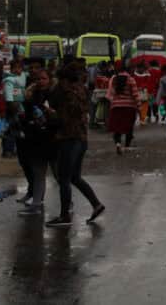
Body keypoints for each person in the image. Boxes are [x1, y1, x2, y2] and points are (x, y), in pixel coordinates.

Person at [45, 62, 104, 228]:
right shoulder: (81, 90)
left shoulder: (64, 92)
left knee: (64, 178)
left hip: (68, 138)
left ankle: (64, 216)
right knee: (75, 177)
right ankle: (96, 204)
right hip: (81, 138)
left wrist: (50, 114)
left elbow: (60, 115)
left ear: (63, 79)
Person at [17, 68, 56, 216]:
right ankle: (36, 203)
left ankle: (67, 203)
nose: (41, 81)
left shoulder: (55, 95)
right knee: (38, 172)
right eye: (38, 79)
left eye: (44, 78)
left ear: (49, 80)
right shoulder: (30, 95)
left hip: (52, 138)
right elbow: (25, 115)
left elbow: (58, 117)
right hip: (35, 138)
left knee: (59, 174)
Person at [106, 68, 139, 153]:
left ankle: (118, 143)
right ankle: (127, 146)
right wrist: (139, 105)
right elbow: (135, 94)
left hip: (116, 106)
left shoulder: (114, 80)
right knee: (129, 127)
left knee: (117, 127)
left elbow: (111, 93)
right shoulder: (131, 79)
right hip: (129, 107)